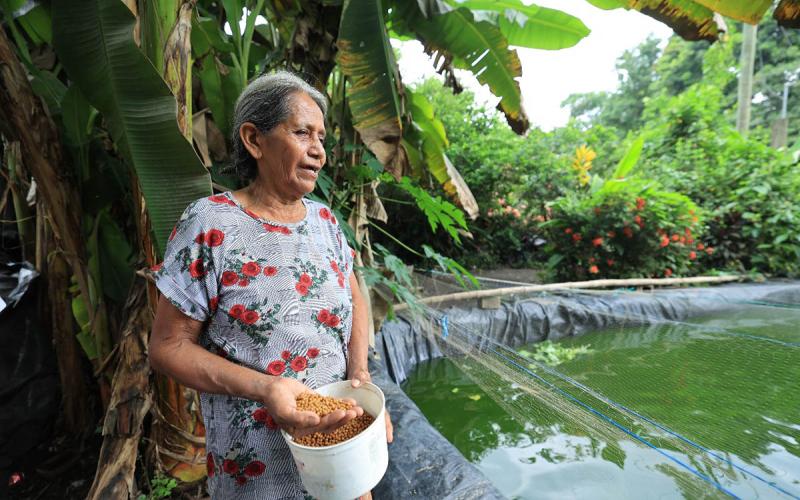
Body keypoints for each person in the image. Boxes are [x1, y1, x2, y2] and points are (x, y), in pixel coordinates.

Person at [149, 70, 393, 499]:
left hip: (344, 450)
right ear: (254, 139)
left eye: (321, 138)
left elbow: (354, 292)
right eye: (302, 133)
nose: (318, 151)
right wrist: (267, 388)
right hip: (257, 467)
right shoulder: (211, 224)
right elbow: (168, 347)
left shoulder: (325, 223)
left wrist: (359, 376)